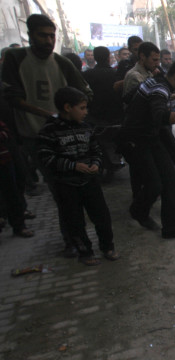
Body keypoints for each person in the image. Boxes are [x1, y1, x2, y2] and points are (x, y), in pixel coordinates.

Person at [2, 14, 93, 257]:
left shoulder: (62, 63)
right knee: (59, 190)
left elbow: (85, 92)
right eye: (43, 35)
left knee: (67, 190)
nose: (48, 40)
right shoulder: (15, 58)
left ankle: (74, 237)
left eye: (52, 35)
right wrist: (47, 114)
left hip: (64, 137)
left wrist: (72, 117)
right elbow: (12, 98)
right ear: (30, 36)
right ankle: (72, 239)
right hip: (33, 136)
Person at [118, 59, 175, 239]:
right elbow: (161, 116)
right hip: (136, 140)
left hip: (151, 137)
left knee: (170, 181)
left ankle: (171, 228)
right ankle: (138, 210)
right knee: (154, 184)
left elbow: (128, 97)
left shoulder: (154, 82)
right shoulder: (160, 88)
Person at [38, 87, 119, 266]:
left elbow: (96, 150)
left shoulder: (86, 128)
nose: (85, 112)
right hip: (66, 185)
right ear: (67, 107)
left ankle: (107, 247)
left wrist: (96, 164)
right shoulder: (49, 130)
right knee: (75, 221)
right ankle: (85, 252)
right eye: (82, 108)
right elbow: (47, 157)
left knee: (102, 216)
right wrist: (74, 166)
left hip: (90, 181)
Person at [82, 46, 125, 180]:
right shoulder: (116, 75)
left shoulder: (87, 75)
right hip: (116, 116)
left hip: (95, 117)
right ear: (108, 58)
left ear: (94, 57)